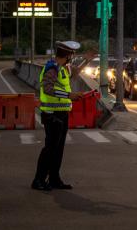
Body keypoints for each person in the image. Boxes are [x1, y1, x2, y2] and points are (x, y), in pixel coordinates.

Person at [31, 41, 96, 191]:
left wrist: (87, 60)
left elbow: (75, 72)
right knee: (50, 148)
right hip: (51, 114)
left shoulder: (64, 68)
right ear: (67, 55)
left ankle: (54, 179)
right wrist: (69, 95)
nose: (72, 58)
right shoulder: (52, 68)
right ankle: (38, 180)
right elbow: (47, 89)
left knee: (58, 149)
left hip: (62, 113)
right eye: (71, 55)